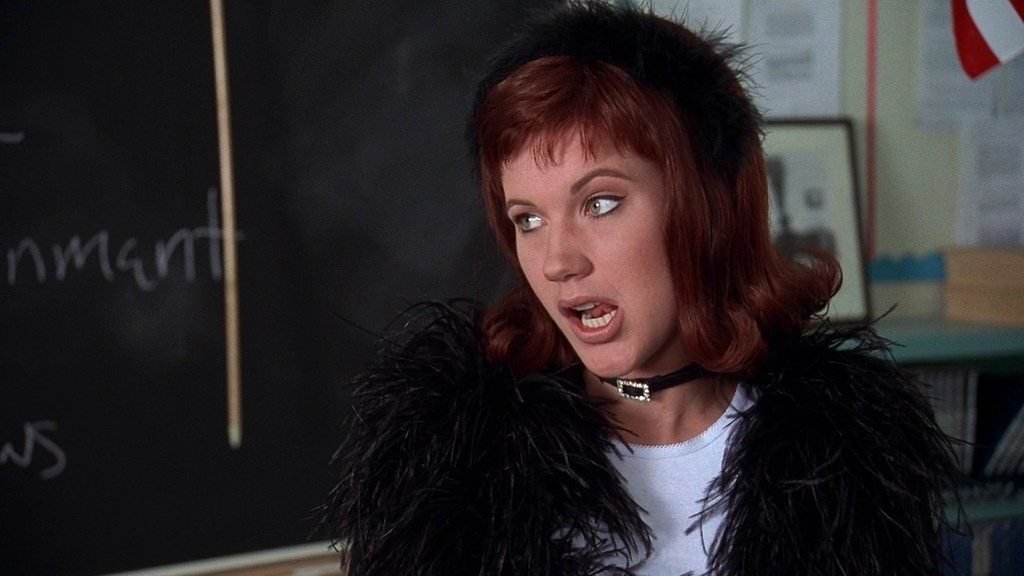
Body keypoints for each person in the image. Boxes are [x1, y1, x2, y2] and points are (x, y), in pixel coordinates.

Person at [320, 2, 961, 574]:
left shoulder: (848, 465)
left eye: (600, 203)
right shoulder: (452, 472)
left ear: (708, 206)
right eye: (528, 220)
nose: (557, 262)